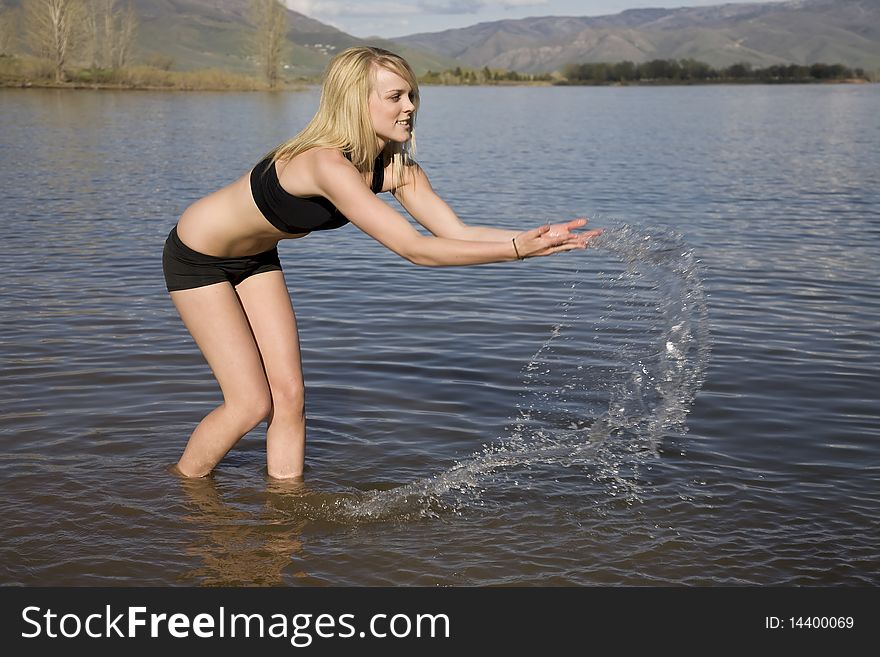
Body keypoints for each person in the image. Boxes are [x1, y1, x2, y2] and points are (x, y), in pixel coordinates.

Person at [163, 46, 601, 480]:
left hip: (256, 258)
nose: (409, 107)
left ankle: (285, 515)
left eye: (411, 95)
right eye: (394, 97)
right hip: (198, 258)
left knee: (291, 396)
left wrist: (534, 237)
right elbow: (413, 249)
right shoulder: (323, 163)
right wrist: (516, 250)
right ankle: (181, 494)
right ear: (356, 100)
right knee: (251, 404)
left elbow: (455, 233)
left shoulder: (397, 168)